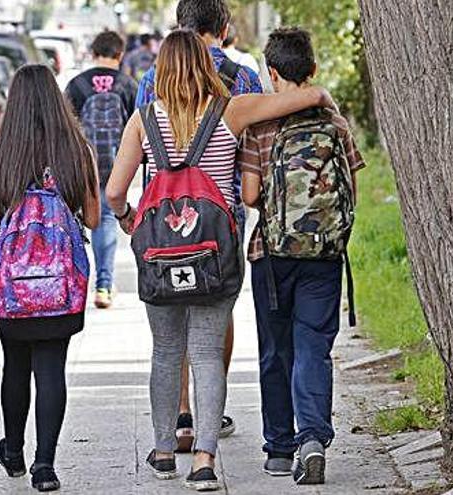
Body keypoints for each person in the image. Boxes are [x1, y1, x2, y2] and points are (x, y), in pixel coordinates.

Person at [106, 29, 335, 491]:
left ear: (161, 71)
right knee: (208, 352)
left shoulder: (143, 118)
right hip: (217, 251)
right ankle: (206, 460)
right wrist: (322, 93)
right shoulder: (232, 110)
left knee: (167, 352)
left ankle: (165, 450)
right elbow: (303, 97)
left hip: (160, 253)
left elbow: (113, 190)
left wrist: (129, 218)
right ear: (206, 65)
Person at [136, 0, 263, 453]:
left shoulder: (150, 88)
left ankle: (174, 433)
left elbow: (133, 171)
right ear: (223, 28)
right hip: (220, 227)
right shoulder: (242, 83)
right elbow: (258, 142)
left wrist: (130, 219)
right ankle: (207, 450)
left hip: (162, 235)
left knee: (167, 348)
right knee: (210, 340)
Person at [239, 27, 365, 484]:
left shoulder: (260, 125)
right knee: (314, 344)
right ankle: (312, 435)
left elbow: (250, 193)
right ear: (312, 70)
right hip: (326, 255)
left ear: (272, 74)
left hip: (271, 254)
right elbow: (352, 183)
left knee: (276, 348)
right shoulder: (333, 121)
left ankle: (278, 447)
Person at [0, 64, 100, 492]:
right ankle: (44, 466)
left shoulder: (5, 151)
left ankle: (13, 452)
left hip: (14, 286)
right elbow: (93, 216)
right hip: (61, 287)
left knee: (15, 364)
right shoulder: (77, 150)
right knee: (52, 368)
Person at [65, 30, 138, 309]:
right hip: (115, 165)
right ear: (119, 55)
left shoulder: (77, 84)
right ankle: (104, 286)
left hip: (83, 166)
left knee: (75, 222)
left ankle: (72, 283)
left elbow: (65, 128)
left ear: (94, 53)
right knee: (106, 218)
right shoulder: (128, 85)